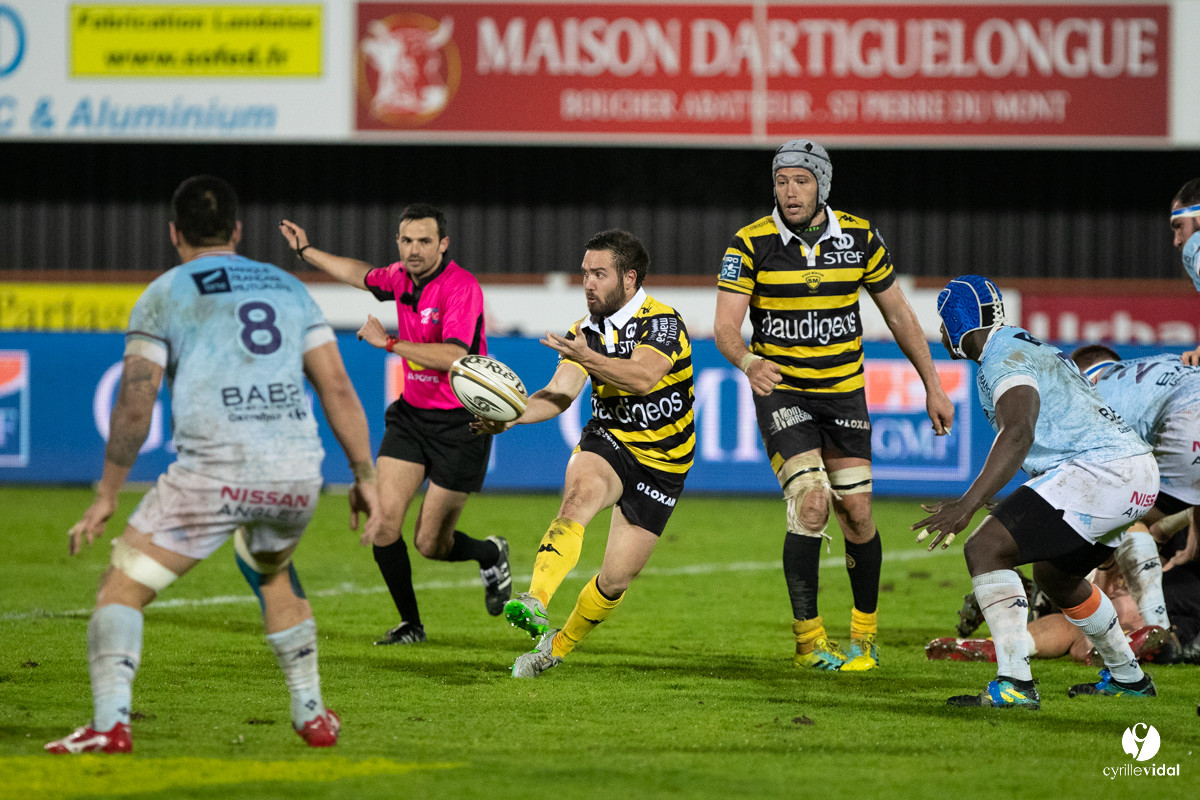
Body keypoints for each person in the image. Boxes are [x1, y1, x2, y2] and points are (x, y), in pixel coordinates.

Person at [46, 175, 380, 754]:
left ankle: (108, 725)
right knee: (271, 570)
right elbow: (338, 389)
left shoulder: (166, 293)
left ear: (174, 233)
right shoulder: (287, 288)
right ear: (239, 230)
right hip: (296, 474)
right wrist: (366, 476)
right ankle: (311, 713)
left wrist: (106, 494)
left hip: (214, 473)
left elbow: (134, 403)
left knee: (120, 587)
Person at [713, 138, 955, 672]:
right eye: (781, 181)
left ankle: (864, 640)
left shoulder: (861, 237)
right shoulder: (749, 244)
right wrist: (748, 361)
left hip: (844, 393)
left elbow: (898, 315)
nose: (789, 191)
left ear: (822, 183)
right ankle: (808, 642)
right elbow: (725, 328)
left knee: (859, 514)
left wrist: (933, 385)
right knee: (811, 501)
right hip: (784, 392)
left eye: (801, 180)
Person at [913, 275, 1161, 709]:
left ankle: (1014, 682)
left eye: (942, 320)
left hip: (1103, 470)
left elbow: (1019, 432)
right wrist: (1025, 495)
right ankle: (1128, 677)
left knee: (985, 547)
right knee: (1056, 576)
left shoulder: (1001, 356)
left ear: (958, 320)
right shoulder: (1022, 345)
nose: (940, 330)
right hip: (1131, 471)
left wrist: (966, 506)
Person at [279, 205, 510, 645]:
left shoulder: (461, 287)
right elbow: (359, 273)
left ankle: (488, 552)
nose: (414, 250)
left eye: (424, 241)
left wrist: (389, 342)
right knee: (384, 524)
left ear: (443, 244)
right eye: (406, 241)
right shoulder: (401, 278)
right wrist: (306, 250)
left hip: (463, 425)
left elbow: (455, 356)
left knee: (430, 544)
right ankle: (412, 625)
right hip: (411, 417)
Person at [475, 229, 694, 679]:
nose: (588, 283)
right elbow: (558, 393)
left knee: (615, 580)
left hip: (664, 464)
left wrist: (587, 357)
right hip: (610, 440)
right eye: (585, 274)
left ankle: (554, 647)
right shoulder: (585, 333)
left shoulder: (663, 322)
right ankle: (535, 599)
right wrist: (511, 416)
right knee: (578, 497)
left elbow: (642, 378)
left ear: (629, 279)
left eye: (599, 274)